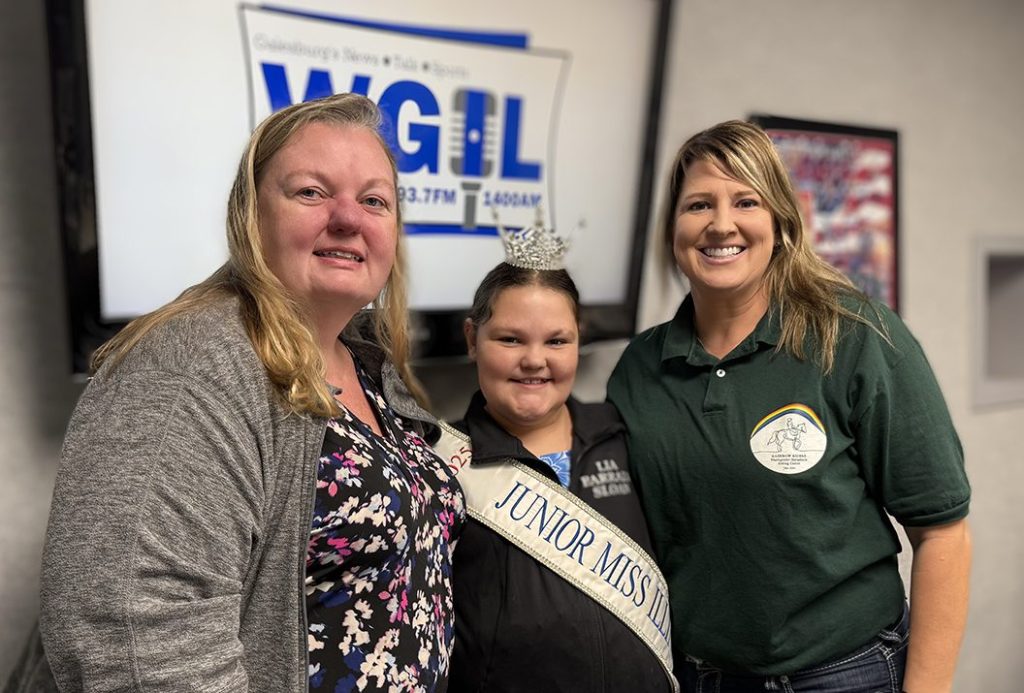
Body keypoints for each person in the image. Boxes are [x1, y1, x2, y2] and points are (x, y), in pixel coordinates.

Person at [37, 93, 465, 692]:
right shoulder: (189, 365)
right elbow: (138, 644)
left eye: (374, 201)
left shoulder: (366, 360)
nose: (349, 218)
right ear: (250, 216)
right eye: (312, 192)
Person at [607, 120, 971, 693]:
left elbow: (943, 532)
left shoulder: (856, 338)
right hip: (703, 676)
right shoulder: (639, 369)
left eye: (745, 201)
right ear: (673, 228)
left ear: (779, 221)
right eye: (698, 204)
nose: (720, 223)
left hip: (847, 673)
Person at [442, 223, 676, 693]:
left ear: (578, 340)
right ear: (472, 339)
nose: (534, 360)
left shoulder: (624, 435)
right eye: (510, 340)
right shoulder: (441, 464)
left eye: (556, 341)